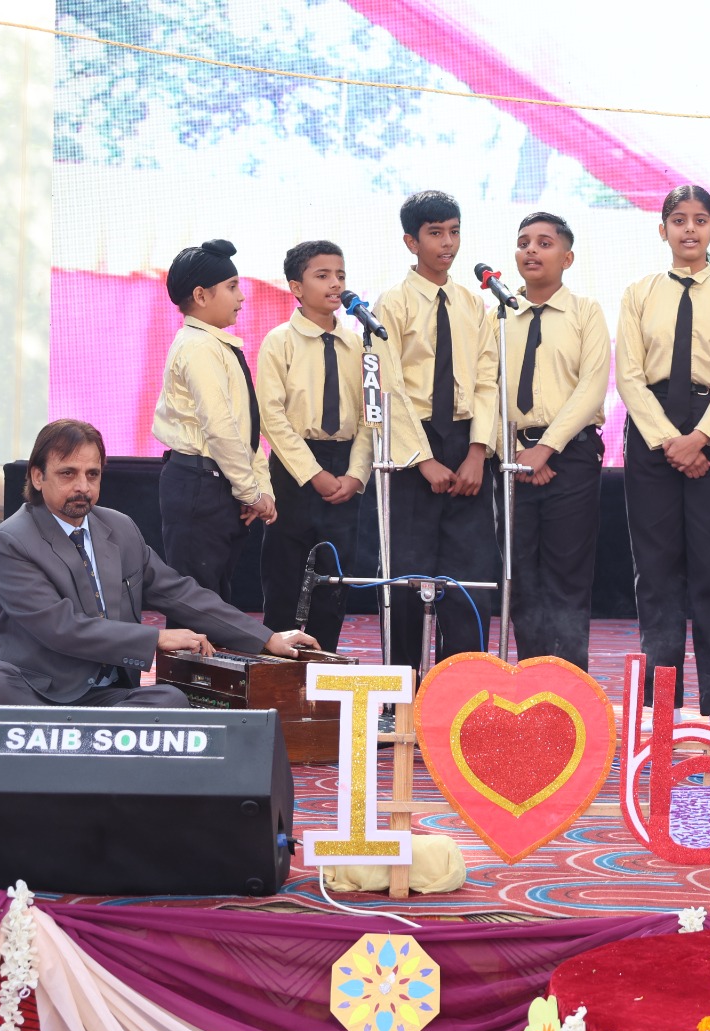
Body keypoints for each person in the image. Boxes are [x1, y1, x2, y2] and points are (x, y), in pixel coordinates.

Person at [0, 420, 317, 708]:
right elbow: (60, 628)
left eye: (92, 474)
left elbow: (180, 593)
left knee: (170, 701)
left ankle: (71, 737)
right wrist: (157, 638)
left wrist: (266, 637)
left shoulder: (119, 529)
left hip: (105, 695)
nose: (83, 486)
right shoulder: (11, 541)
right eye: (68, 474)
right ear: (38, 477)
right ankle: (90, 737)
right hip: (37, 691)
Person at [616, 185, 710, 728]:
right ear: (663, 230)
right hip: (652, 435)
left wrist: (702, 437)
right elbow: (629, 375)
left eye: (700, 220)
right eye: (679, 220)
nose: (689, 229)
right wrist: (667, 440)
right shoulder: (639, 292)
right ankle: (662, 704)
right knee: (656, 573)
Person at [373, 190, 499, 672]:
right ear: (411, 241)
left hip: (465, 443)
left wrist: (478, 451)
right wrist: (422, 459)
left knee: (468, 581)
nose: (448, 243)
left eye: (454, 232)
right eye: (435, 233)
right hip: (412, 448)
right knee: (407, 577)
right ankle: (402, 689)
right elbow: (388, 385)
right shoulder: (392, 304)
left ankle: (461, 688)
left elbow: (486, 380)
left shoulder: (473, 303)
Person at [503, 212, 610, 670]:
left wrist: (545, 449)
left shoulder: (586, 312)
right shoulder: (499, 315)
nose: (531, 250)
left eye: (544, 243)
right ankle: (529, 681)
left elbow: (592, 386)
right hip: (512, 458)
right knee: (522, 579)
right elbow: (488, 388)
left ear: (567, 258)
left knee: (567, 577)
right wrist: (515, 451)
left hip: (572, 456)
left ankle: (568, 686)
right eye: (524, 242)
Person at [256, 239, 372, 652]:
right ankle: (278, 668)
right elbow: (271, 416)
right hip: (295, 465)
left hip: (344, 466)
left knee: (335, 580)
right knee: (284, 574)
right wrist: (313, 473)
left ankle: (325, 666)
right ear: (296, 287)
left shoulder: (360, 345)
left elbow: (370, 417)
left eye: (340, 275)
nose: (335, 283)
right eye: (322, 275)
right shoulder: (279, 341)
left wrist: (356, 474)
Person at [152, 238, 276, 601]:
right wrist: (250, 491)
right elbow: (220, 429)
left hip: (218, 483)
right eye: (232, 287)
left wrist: (258, 488)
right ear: (201, 296)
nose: (242, 297)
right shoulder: (198, 346)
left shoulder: (215, 344)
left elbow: (245, 429)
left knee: (214, 600)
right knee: (196, 603)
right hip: (199, 484)